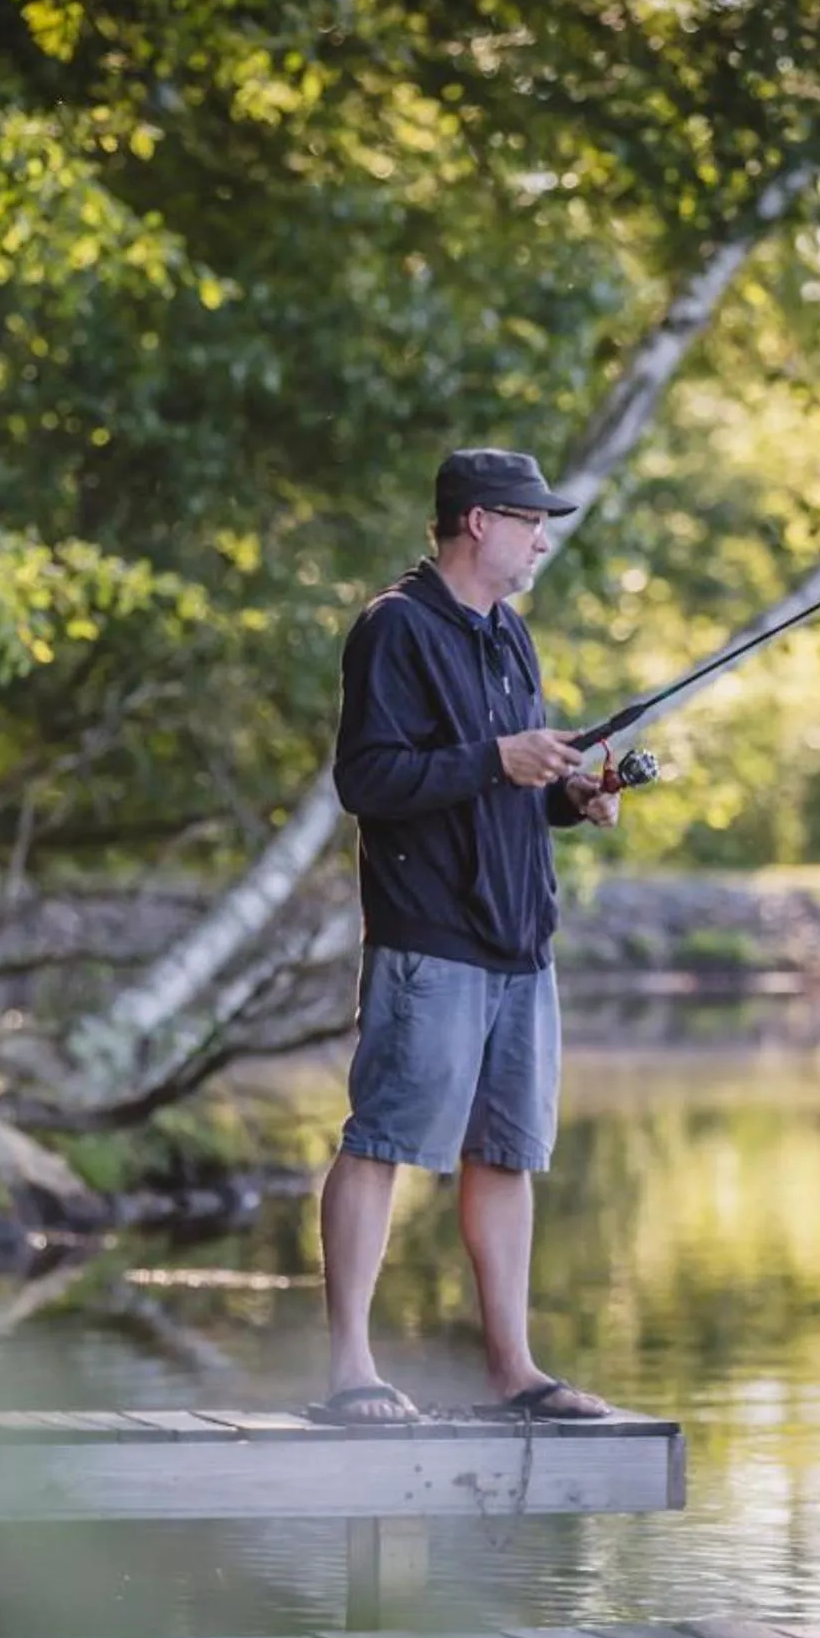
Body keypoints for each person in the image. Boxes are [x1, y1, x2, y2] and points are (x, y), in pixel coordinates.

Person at [312, 448, 624, 1426]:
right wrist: (496, 758)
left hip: (521, 940)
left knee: (506, 1154)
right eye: (531, 522)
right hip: (431, 936)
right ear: (478, 522)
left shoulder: (510, 636)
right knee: (380, 1141)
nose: (542, 541)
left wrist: (571, 796)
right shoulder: (394, 627)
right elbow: (368, 780)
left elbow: (508, 785)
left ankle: (513, 1372)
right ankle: (350, 1371)